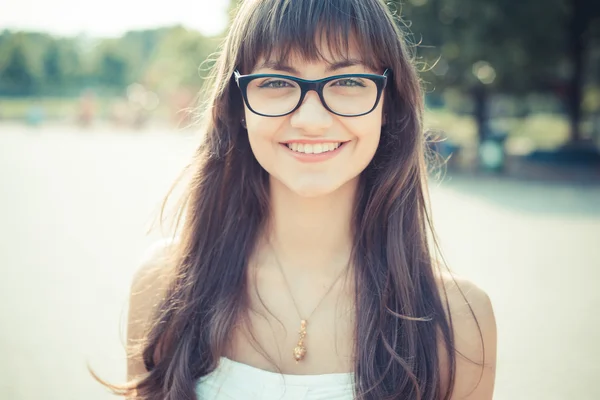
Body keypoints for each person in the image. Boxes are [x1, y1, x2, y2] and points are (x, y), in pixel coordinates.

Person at [100, 0, 497, 398]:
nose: (311, 119)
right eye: (276, 82)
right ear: (238, 105)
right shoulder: (166, 287)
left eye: (348, 81)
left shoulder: (459, 321)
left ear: (388, 105)